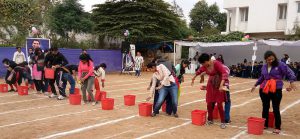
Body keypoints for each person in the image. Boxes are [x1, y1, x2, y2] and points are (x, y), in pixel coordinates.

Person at [251, 51, 297, 134]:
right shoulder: (264, 67)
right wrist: (255, 84)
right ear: (265, 60)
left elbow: (289, 72)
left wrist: (292, 81)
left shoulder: (280, 64)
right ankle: (265, 124)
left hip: (276, 89)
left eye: (272, 59)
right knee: (265, 107)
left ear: (274, 57)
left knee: (276, 108)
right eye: (268, 60)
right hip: (264, 89)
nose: (271, 61)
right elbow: (262, 77)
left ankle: (277, 126)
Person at [191, 53, 228, 129]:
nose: (203, 65)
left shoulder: (216, 64)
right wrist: (193, 78)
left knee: (219, 104)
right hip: (211, 85)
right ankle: (210, 119)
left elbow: (224, 74)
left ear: (208, 60)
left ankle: (223, 121)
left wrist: (221, 85)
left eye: (204, 63)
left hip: (219, 84)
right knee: (209, 103)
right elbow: (199, 71)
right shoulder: (205, 66)